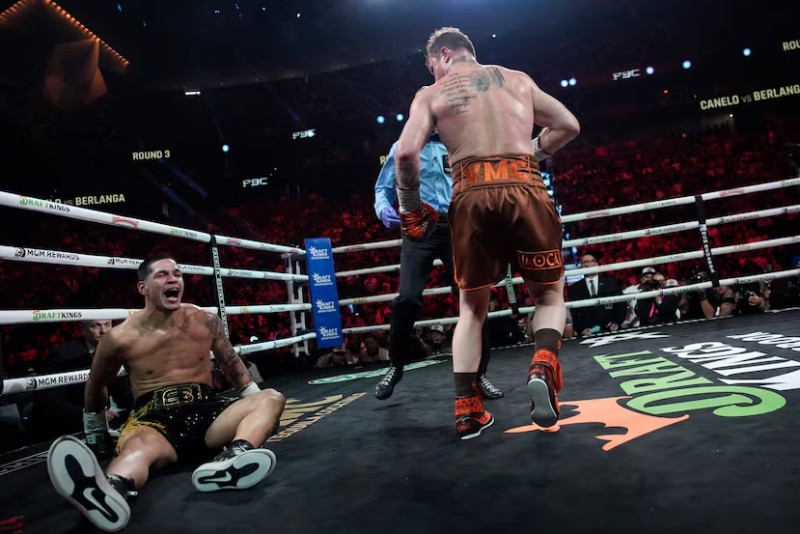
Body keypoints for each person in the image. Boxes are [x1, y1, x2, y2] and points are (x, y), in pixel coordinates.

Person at [394, 27, 579, 439]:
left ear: (443, 54)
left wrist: (409, 207)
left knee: (472, 311)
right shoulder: (518, 79)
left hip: (471, 194)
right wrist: (534, 151)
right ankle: (543, 363)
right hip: (525, 186)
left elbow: (405, 153)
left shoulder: (431, 93)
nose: (434, 74)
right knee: (548, 296)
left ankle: (467, 411)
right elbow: (568, 124)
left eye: (431, 66)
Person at [46, 254, 286, 532]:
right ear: (142, 288)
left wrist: (259, 416)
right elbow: (96, 386)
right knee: (137, 449)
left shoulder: (206, 321)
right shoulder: (119, 338)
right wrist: (96, 433)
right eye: (162, 275)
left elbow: (232, 365)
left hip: (208, 416)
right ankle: (109, 491)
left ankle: (232, 460)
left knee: (271, 398)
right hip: (155, 422)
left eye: (178, 274)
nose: (173, 279)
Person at [373, 131, 503, 401]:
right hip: (418, 227)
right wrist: (382, 207)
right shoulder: (403, 146)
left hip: (457, 227)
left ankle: (479, 375)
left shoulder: (458, 143)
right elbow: (382, 188)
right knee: (407, 297)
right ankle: (396, 365)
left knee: (473, 298)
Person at [29, 320, 133, 441]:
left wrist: (133, 409)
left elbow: (125, 390)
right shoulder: (64, 355)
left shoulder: (115, 349)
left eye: (107, 324)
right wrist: (91, 415)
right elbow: (50, 402)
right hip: (70, 426)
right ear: (82, 329)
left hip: (109, 421)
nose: (103, 331)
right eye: (96, 325)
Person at [567, 251, 627, 336]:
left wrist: (616, 322)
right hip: (587, 332)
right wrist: (581, 329)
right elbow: (574, 313)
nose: (589, 264)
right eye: (585, 262)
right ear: (581, 266)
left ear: (597, 264)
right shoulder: (574, 288)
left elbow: (621, 304)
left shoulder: (611, 282)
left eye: (592, 261)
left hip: (611, 329)